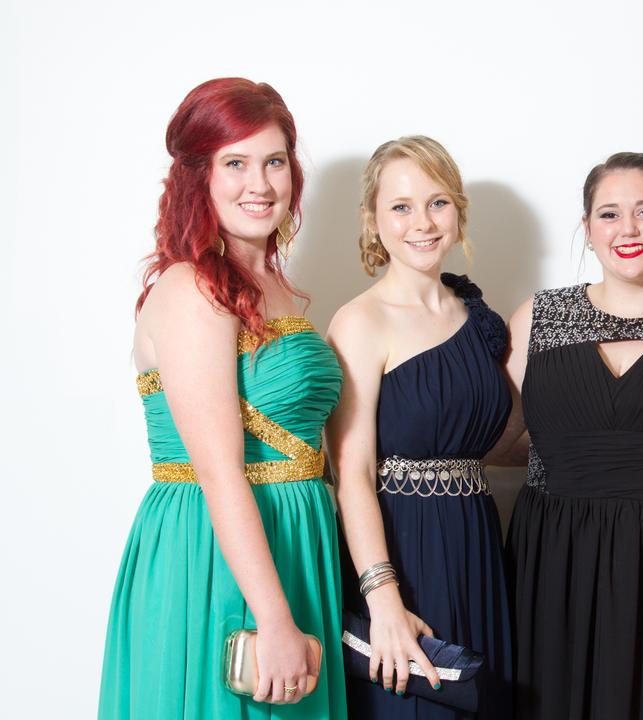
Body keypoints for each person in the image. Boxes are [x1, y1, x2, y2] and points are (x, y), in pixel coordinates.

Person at [99, 78, 346, 718]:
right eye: (235, 163)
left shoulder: (279, 288)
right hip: (213, 553)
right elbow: (216, 469)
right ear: (199, 178)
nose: (259, 183)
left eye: (274, 161)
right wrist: (273, 617)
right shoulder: (192, 288)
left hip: (292, 539)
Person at [503, 152, 643, 719]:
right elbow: (501, 441)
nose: (627, 229)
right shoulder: (539, 317)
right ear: (587, 229)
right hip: (556, 561)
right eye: (609, 214)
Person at [326, 136, 514, 718]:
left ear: (457, 210)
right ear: (372, 221)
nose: (422, 223)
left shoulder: (479, 317)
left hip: (477, 543)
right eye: (401, 206)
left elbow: (501, 443)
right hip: (400, 551)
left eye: (437, 203)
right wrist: (382, 597)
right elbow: (350, 475)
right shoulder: (360, 322)